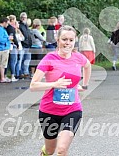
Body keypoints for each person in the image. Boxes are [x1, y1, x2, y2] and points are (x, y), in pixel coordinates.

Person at [30, 25, 91, 156]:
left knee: (62, 149)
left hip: (72, 110)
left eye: (71, 40)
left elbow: (87, 66)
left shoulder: (78, 57)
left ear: (75, 41)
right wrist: (54, 84)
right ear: (58, 40)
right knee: (50, 150)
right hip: (49, 111)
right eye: (64, 39)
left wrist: (84, 85)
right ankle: (44, 151)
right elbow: (33, 85)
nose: (67, 43)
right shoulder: (49, 59)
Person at [0, 17, 12, 83]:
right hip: (2, 49)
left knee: (4, 64)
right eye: (7, 23)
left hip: (5, 48)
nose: (7, 25)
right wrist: (8, 38)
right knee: (2, 64)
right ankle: (2, 78)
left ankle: (3, 76)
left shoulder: (2, 29)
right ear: (4, 22)